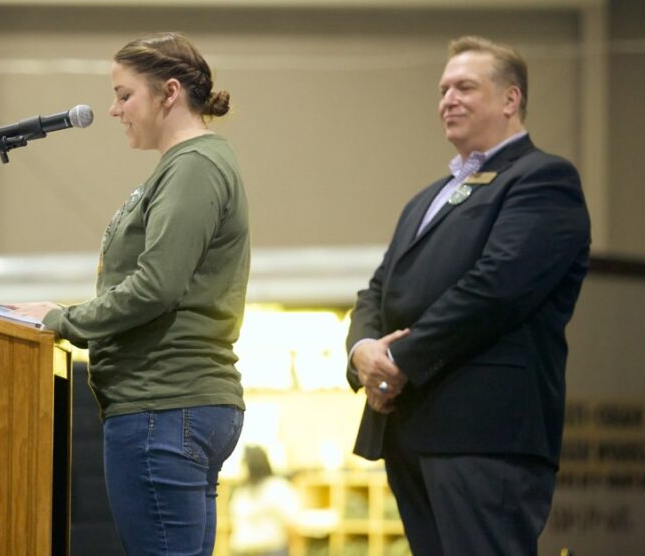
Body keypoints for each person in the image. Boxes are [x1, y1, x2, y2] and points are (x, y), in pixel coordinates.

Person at [345, 36, 591, 555]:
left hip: (484, 433)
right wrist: (362, 351)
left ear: (510, 99)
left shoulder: (542, 179)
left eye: (465, 88)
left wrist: (400, 361)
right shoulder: (427, 198)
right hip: (412, 428)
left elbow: (496, 289)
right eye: (443, 90)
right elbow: (378, 288)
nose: (448, 100)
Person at [9, 32, 249, 555]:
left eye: (124, 95)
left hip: (163, 404)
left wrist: (61, 319)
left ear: (169, 92)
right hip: (176, 405)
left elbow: (156, 286)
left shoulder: (194, 167)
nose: (114, 110)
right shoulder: (187, 166)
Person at [228, 445, 300, 556]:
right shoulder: (241, 492)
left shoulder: (278, 488)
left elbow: (292, 525)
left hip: (271, 551)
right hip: (241, 551)